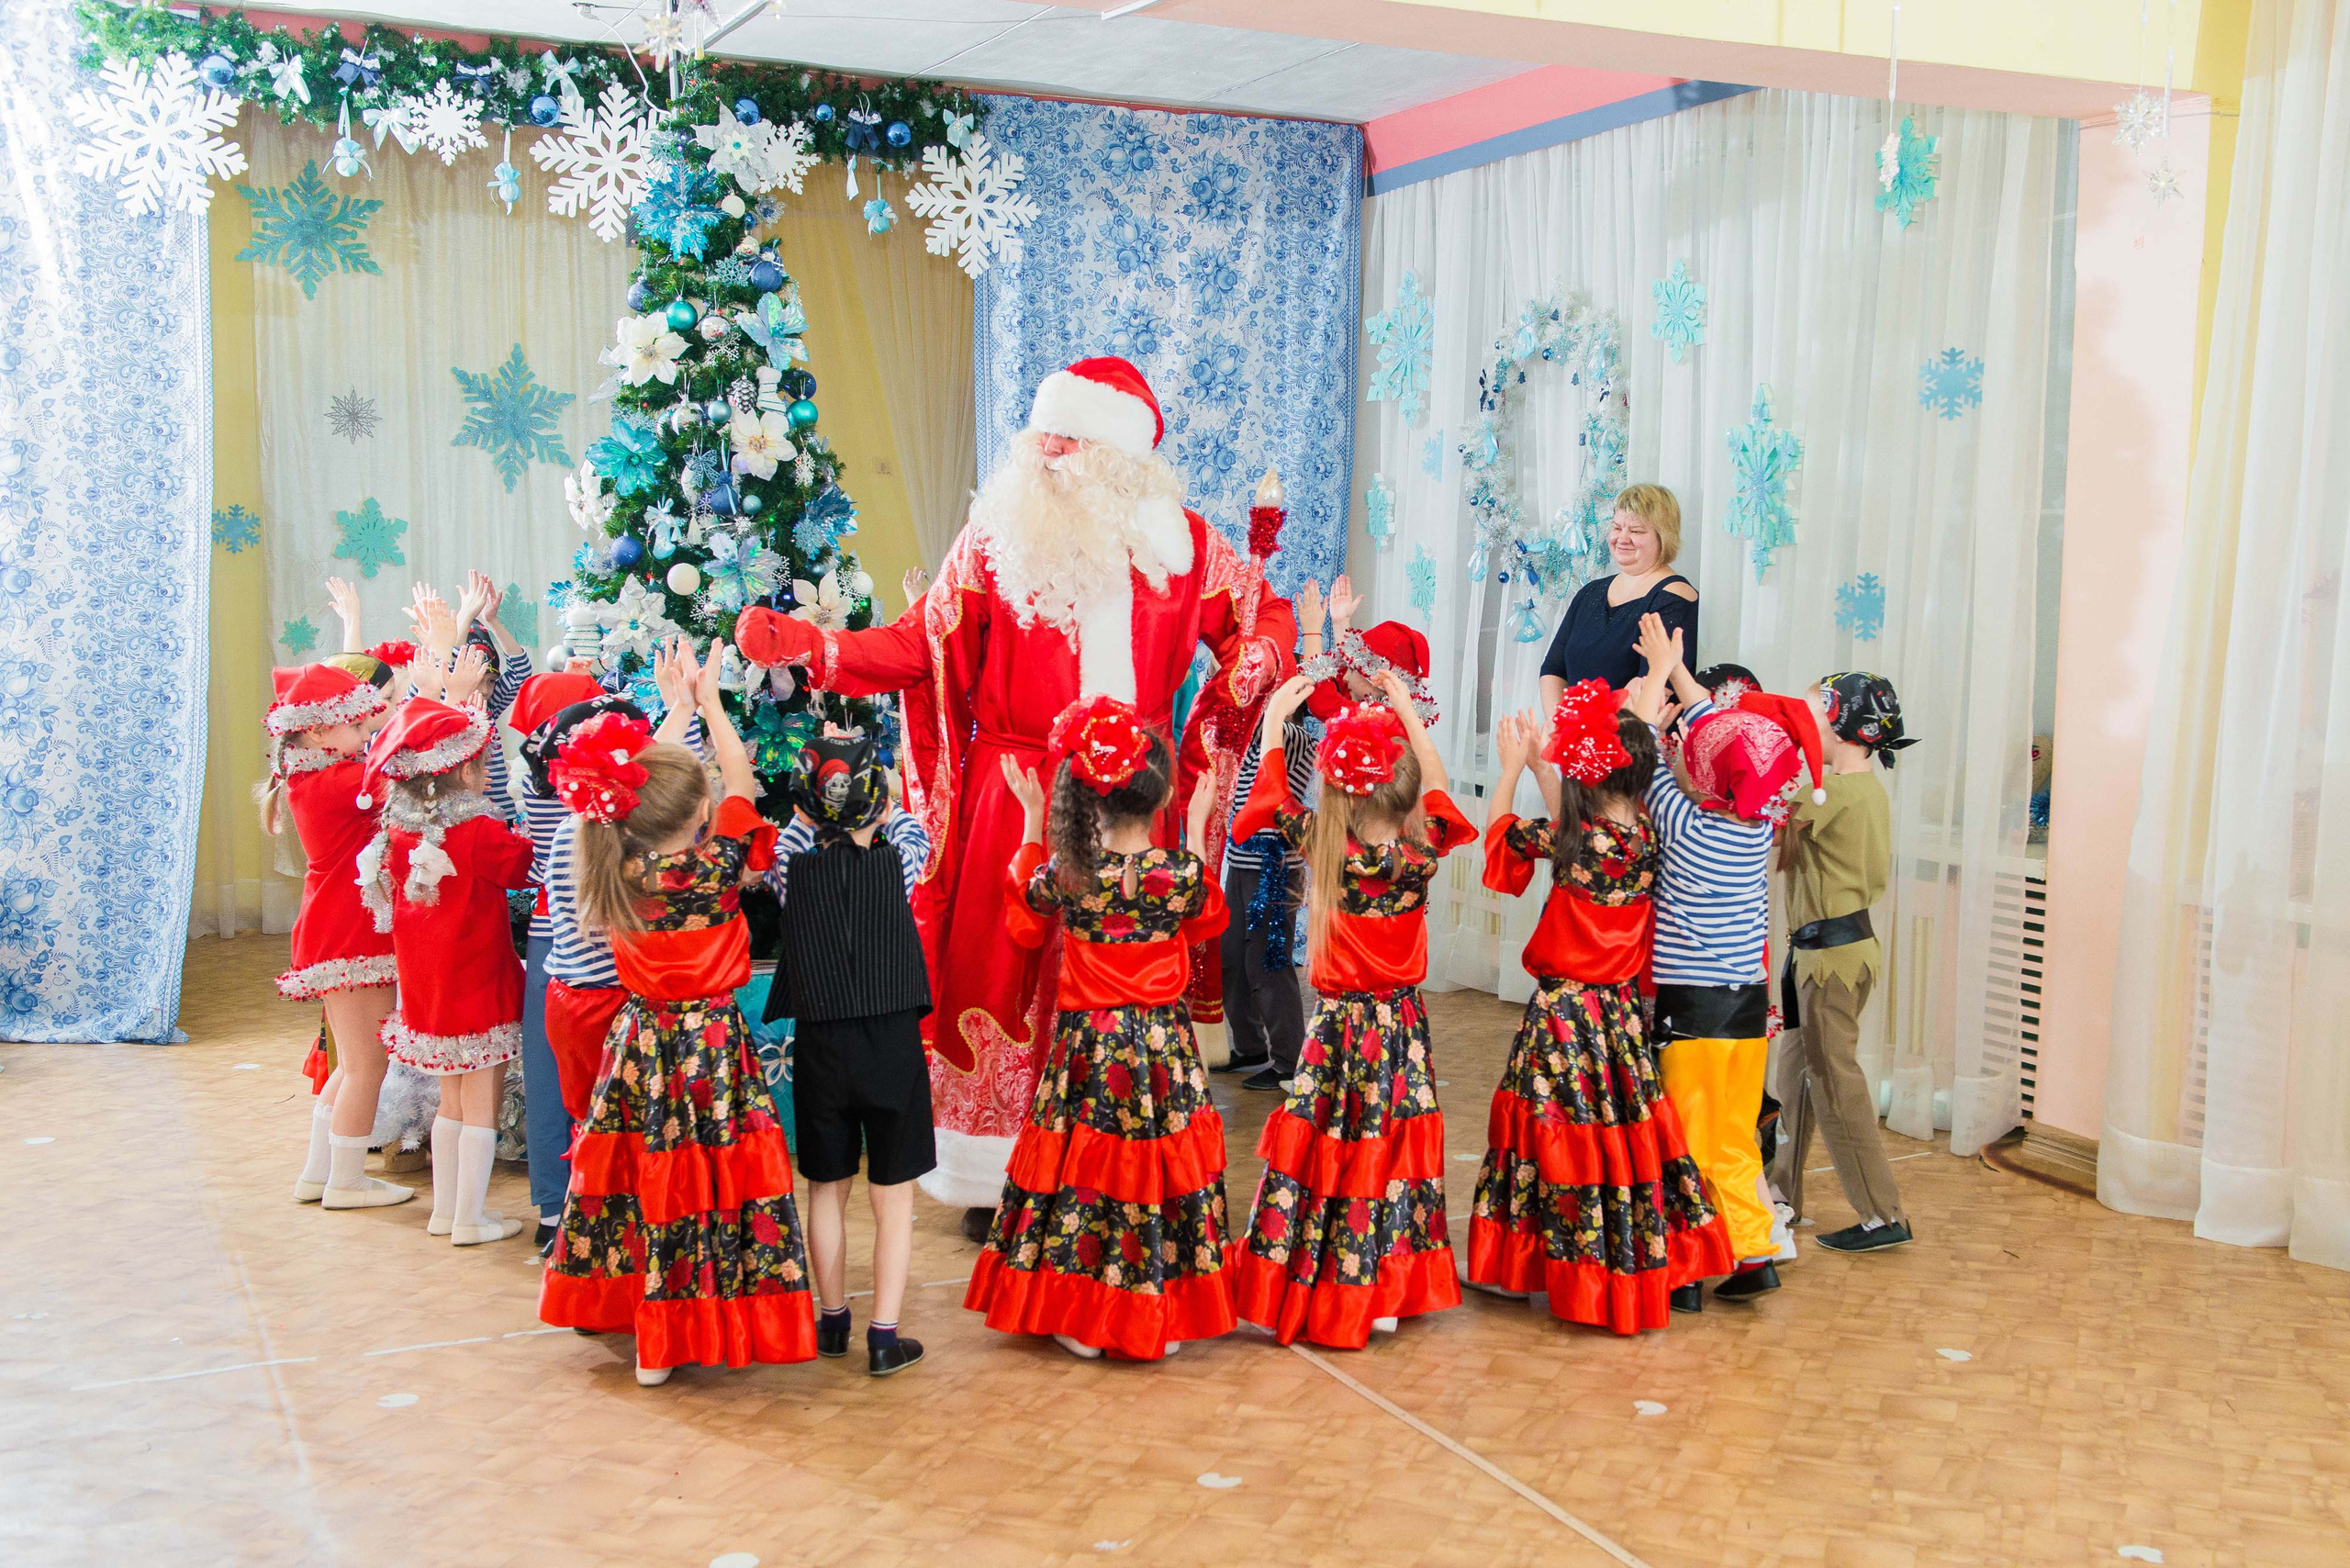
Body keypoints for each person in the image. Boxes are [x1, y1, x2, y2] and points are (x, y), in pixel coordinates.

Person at [733, 356, 1294, 1240]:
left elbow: (1266, 617)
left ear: (1119, 458)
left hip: (1137, 799)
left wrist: (1253, 663)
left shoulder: (1185, 545)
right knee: (1008, 971)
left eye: (1069, 443)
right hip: (1018, 793)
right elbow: (918, 646)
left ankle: (1127, 1157)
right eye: (1043, 440)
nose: (1047, 456)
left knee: (1124, 974)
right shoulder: (997, 536)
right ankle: (997, 1170)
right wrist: (816, 647)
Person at [536, 649, 818, 1386]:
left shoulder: (611, 862)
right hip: (715, 1045)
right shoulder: (717, 865)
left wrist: (680, 713)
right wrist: (711, 705)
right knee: (715, 1176)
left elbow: (639, 792)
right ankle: (706, 1319)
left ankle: (651, 1334)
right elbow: (743, 783)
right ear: (701, 813)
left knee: (648, 1175)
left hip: (642, 1044)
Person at [965, 697, 1234, 1361]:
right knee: (1156, 1171)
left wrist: (1031, 822)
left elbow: (1024, 923)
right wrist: (1198, 829)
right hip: (1163, 1049)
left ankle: (1078, 1312)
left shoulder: (1069, 873)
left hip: (1088, 1051)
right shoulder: (1177, 875)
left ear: (1090, 796)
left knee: (1085, 1174)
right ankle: (1154, 1304)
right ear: (1166, 791)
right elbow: (1206, 921)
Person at [1467, 688, 1735, 1332]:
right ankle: (1620, 1256)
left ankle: (1530, 1263)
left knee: (1546, 1133)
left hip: (1562, 1017)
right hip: (1616, 1020)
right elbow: (1574, 828)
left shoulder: (1578, 841)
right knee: (1616, 1136)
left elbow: (1501, 836)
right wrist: (1540, 768)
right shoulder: (1643, 835)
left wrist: (1510, 769)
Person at [1227, 671, 1476, 1349]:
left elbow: (1272, 793)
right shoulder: (1421, 856)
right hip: (1401, 1029)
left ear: (1336, 793)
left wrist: (1279, 715)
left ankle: (1333, 1273)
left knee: (1329, 1145)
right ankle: (1387, 1286)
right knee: (1390, 1146)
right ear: (1403, 799)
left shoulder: (1320, 841)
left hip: (1337, 1029)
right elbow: (1438, 784)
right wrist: (1404, 711)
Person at [1628, 613, 1823, 1307]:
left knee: (1683, 1139)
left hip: (1696, 1014)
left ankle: (1683, 1274)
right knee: (1733, 1137)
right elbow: (1739, 747)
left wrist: (1655, 680)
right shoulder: (1761, 821)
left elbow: (1638, 756)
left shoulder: (1684, 824)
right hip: (1745, 1011)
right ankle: (1751, 1255)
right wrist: (1681, 673)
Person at [508, 643, 705, 1257]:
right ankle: (636, 1249)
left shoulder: (568, 824)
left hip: (568, 1006)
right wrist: (689, 708)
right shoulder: (627, 843)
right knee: (636, 1137)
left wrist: (679, 710)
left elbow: (651, 777)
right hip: (617, 1011)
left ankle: (582, 1243)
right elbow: (675, 787)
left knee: (589, 1132)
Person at [766, 727, 935, 1378]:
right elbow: (913, 823)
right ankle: (885, 1336)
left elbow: (796, 831)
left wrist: (817, 796)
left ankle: (831, 1321)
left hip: (821, 1046)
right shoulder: (904, 860)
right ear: (878, 803)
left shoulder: (789, 864)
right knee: (892, 1196)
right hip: (892, 1044)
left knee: (825, 1188)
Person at [356, 666, 538, 1247]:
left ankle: (447, 1214)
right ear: (465, 768)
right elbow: (524, 868)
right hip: (478, 980)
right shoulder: (478, 829)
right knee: (480, 1099)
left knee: (452, 1100)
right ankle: (470, 1219)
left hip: (428, 987)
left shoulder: (398, 829)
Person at [262, 657, 406, 1209]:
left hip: (333, 923)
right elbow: (413, 766)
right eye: (359, 728)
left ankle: (319, 1173)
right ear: (320, 730)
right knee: (369, 1064)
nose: (366, 736)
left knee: (351, 1062)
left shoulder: (308, 776)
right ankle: (346, 1181)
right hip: (350, 928)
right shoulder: (342, 780)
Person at [1784, 671, 1917, 1254]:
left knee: (1837, 1083)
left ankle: (1882, 1213)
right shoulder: (1855, 791)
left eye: (1814, 715)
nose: (1805, 725)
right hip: (1823, 953)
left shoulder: (1833, 795)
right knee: (1800, 1076)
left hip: (1829, 958)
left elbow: (1765, 829)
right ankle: (1779, 1193)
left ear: (1841, 725)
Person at [1216, 576, 1323, 1093]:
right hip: (1241, 860)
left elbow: (1270, 780)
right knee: (1231, 958)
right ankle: (1250, 1044)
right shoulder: (1255, 732)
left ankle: (1287, 1059)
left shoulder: (1294, 737)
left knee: (1268, 963)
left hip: (1273, 865)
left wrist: (1314, 636)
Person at [1538, 485, 1699, 705]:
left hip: (1633, 736)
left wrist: (1592, 732)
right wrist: (1561, 726)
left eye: (1636, 531)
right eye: (1616, 528)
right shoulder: (1590, 592)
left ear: (1664, 536)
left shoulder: (1674, 599)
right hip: (1574, 734)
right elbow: (1553, 669)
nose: (1622, 538)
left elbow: (1653, 690)